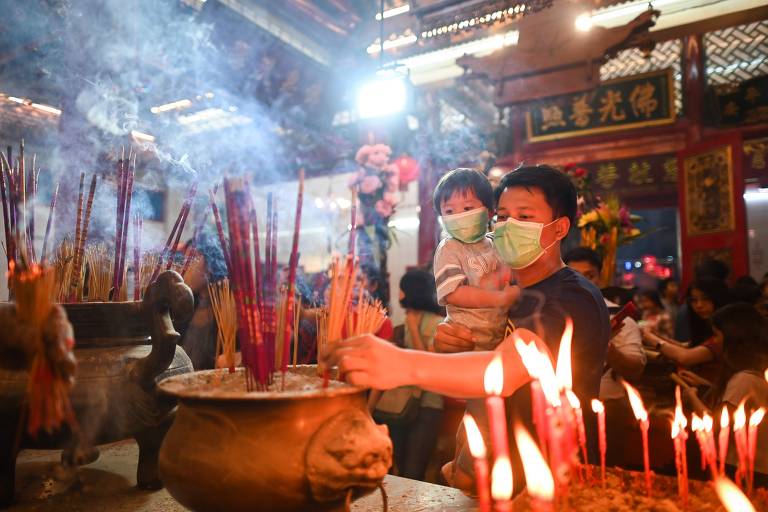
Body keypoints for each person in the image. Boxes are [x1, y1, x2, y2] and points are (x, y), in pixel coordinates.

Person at [326, 165, 610, 496]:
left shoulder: (572, 296)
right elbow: (484, 361)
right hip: (499, 479)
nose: (508, 226)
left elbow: (504, 371)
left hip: (554, 479)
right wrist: (450, 342)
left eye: (525, 216)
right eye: (502, 216)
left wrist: (402, 364)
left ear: (560, 228)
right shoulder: (506, 294)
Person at [432, 168, 520, 351]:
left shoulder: (496, 242)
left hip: (500, 338)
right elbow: (454, 293)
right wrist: (500, 298)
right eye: (449, 211)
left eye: (467, 208)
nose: (458, 216)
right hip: (466, 341)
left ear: (489, 212)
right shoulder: (449, 249)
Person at [681, 303, 768, 486]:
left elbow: (716, 426)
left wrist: (692, 397)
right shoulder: (755, 373)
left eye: (717, 334)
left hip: (742, 469)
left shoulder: (743, 379)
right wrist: (705, 385)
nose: (714, 341)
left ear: (733, 338)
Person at [371, 269, 445, 481]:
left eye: (401, 288)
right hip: (400, 406)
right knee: (397, 469)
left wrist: (413, 330)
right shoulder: (402, 324)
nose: (399, 293)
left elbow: (430, 367)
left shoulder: (437, 323)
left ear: (410, 291)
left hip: (427, 405)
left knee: (413, 471)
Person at [563, 247, 646, 400]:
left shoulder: (620, 318)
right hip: (561, 410)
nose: (582, 282)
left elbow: (636, 370)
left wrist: (605, 346)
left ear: (600, 279)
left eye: (589, 275)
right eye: (574, 275)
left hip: (609, 407)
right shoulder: (551, 315)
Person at [641, 278, 730, 381]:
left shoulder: (723, 333)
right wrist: (656, 335)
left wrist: (651, 338)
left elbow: (685, 357)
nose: (699, 305)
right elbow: (687, 347)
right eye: (694, 300)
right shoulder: (707, 326)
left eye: (706, 299)